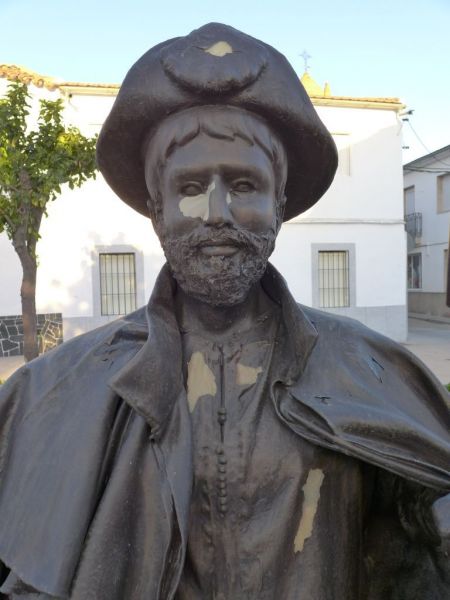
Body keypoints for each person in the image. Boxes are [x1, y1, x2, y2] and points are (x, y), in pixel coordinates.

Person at [0, 23, 450, 600]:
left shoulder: (373, 370)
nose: (218, 212)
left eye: (243, 185)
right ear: (157, 210)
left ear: (279, 205)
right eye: (190, 188)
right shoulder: (55, 391)